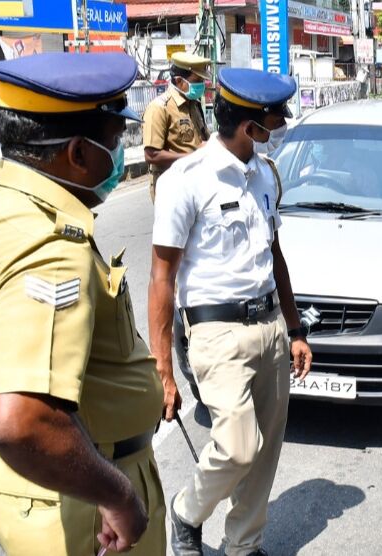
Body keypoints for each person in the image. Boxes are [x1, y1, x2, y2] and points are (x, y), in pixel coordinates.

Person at [0, 52, 163, 555]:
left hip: (33, 483)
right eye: (113, 142)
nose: (116, 158)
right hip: (81, 498)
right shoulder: (50, 249)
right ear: (76, 153)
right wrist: (116, 495)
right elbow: (16, 419)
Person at [148, 68, 313, 556]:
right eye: (274, 118)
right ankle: (187, 511)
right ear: (249, 126)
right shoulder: (188, 179)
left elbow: (274, 254)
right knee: (238, 445)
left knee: (265, 453)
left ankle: (243, 545)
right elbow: (162, 277)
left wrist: (296, 326)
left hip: (270, 328)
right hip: (216, 332)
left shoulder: (264, 173)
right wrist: (163, 369)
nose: (281, 123)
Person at [143, 52, 212, 201]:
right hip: (172, 187)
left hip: (197, 183)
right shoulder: (159, 108)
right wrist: (194, 157)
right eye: (197, 80)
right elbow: (151, 155)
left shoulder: (194, 105)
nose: (201, 85)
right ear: (180, 81)